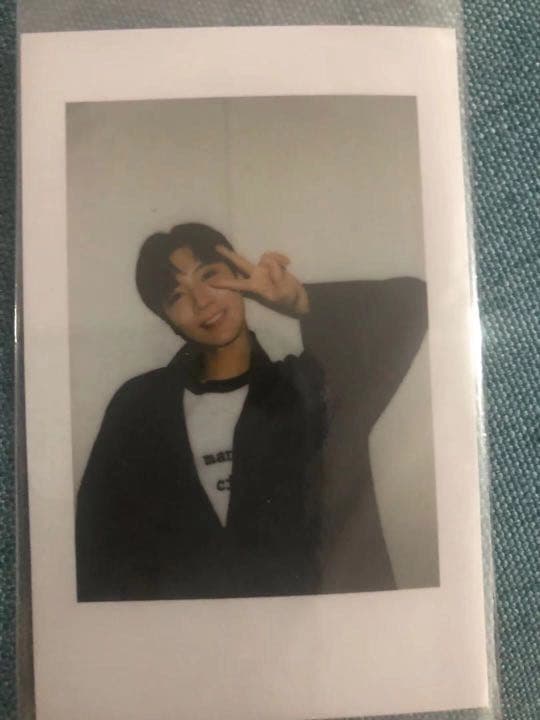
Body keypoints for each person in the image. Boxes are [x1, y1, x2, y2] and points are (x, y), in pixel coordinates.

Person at [76, 223, 427, 601]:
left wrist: (298, 302)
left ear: (239, 278)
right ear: (167, 318)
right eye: (177, 295)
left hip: (314, 629)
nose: (202, 301)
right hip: (186, 632)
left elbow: (414, 304)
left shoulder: (310, 388)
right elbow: (98, 551)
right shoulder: (138, 408)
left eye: (210, 276)